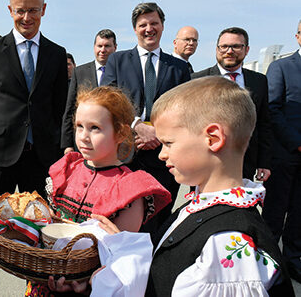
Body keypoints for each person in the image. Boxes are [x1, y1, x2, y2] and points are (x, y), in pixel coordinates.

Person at [98, 77, 294, 296]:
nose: (162, 154)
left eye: (168, 143)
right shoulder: (202, 206)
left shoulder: (226, 243)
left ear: (213, 138)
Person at [0, 0, 68, 297]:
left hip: (40, 156)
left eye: (33, 11)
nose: (26, 18)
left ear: (44, 10)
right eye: (20, 11)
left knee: (40, 232)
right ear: (10, 10)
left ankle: (37, 293)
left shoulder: (56, 54)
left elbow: (60, 106)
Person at [27, 86, 171, 296]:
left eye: (95, 128)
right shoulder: (67, 170)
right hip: (47, 281)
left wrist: (86, 282)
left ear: (120, 132)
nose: (84, 136)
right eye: (79, 126)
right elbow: (51, 227)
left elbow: (120, 258)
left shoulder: (129, 187)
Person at [101, 2, 190, 233]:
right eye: (143, 25)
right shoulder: (117, 61)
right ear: (135, 29)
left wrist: (157, 133)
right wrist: (136, 125)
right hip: (125, 156)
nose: (149, 29)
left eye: (154, 23)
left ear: (162, 26)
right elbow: (107, 101)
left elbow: (185, 110)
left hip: (164, 159)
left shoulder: (179, 68)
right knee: (120, 224)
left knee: (158, 224)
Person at [192, 27, 272, 182]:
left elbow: (264, 123)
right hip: (207, 159)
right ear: (217, 49)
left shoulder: (259, 81)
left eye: (236, 46)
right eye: (224, 46)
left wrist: (264, 162)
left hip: (245, 161)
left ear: (246, 50)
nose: (229, 51)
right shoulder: (198, 80)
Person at [262, 20, 301, 283]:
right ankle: (268, 263)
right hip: (286, 155)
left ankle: (294, 261)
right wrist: (297, 142)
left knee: (300, 214)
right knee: (275, 213)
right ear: (298, 36)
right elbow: (273, 109)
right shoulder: (281, 67)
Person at [62, 29, 117, 154]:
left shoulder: (122, 72)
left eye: (107, 46)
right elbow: (70, 109)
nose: (103, 50)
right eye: (99, 46)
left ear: (115, 48)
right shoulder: (80, 72)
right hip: (82, 142)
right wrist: (67, 145)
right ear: (94, 47)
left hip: (110, 142)